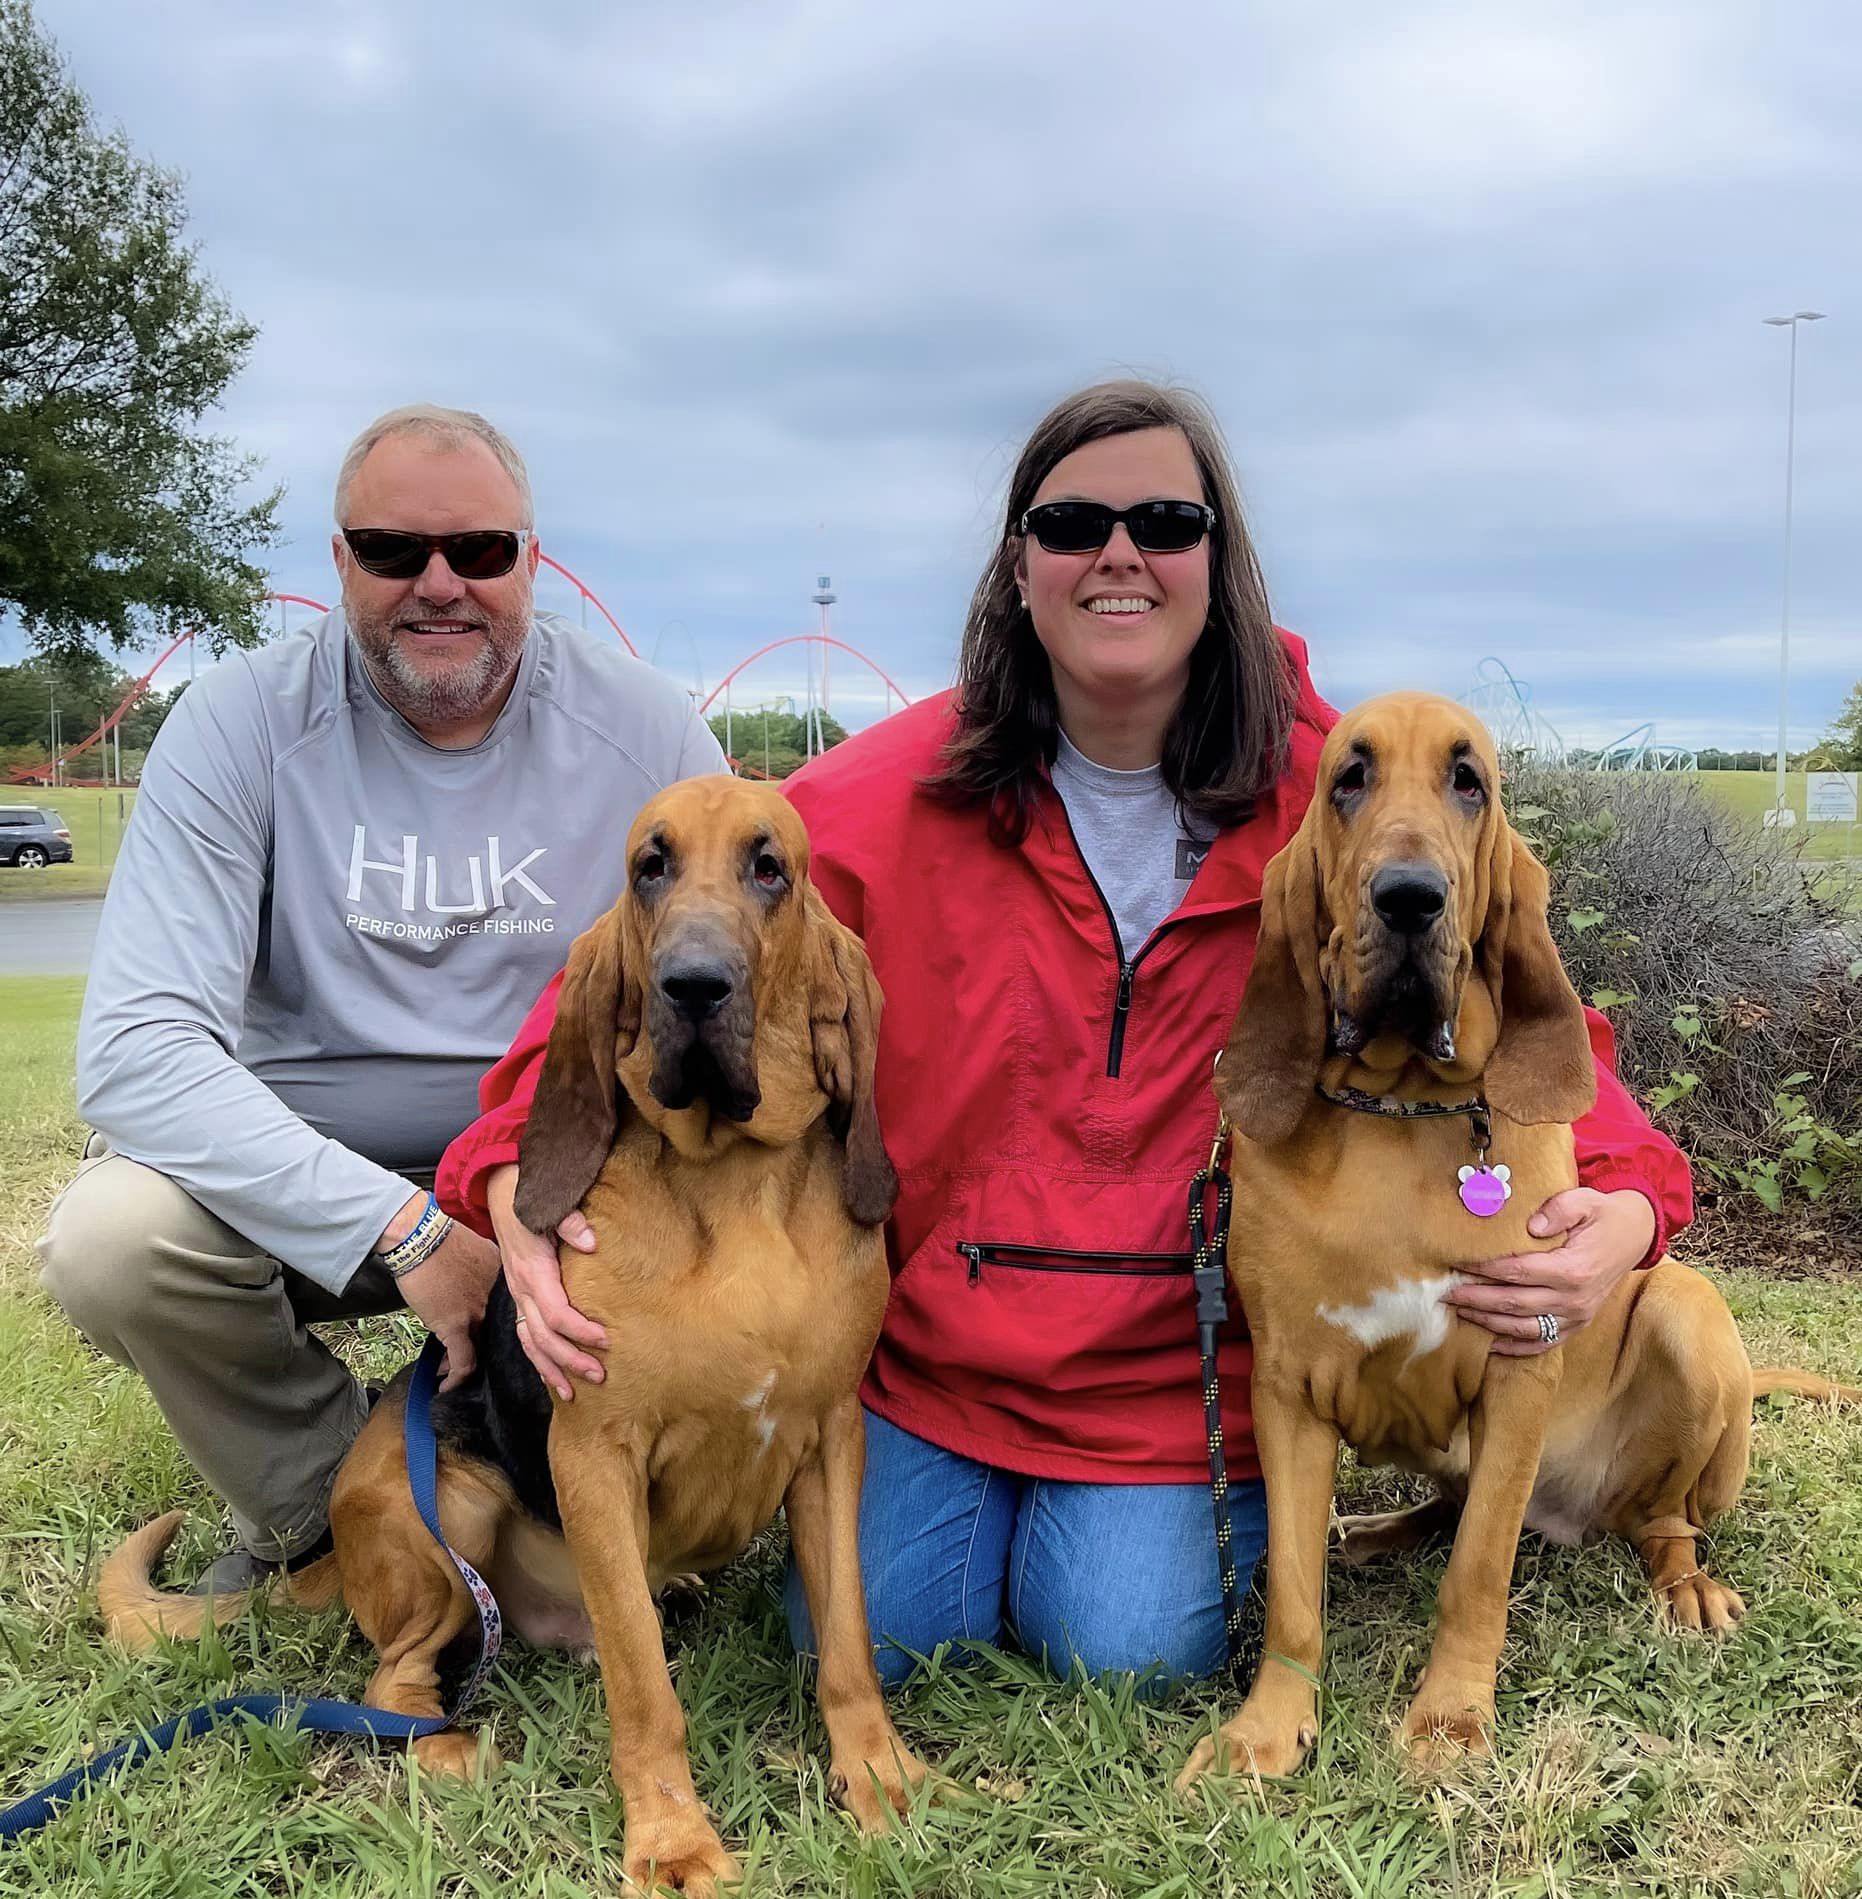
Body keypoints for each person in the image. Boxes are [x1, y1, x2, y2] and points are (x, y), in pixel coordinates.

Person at [439, 380, 1693, 1688]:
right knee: (881, 1630)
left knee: (1131, 1645)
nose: (1117, 554)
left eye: (1162, 520)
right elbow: (623, 974)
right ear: (1015, 564)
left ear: (1217, 558)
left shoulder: (1336, 789)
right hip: (938, 1368)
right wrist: (507, 1183)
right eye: (1068, 522)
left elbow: (1505, 988)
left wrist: (1628, 1207)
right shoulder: (881, 793)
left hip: (1167, 1389)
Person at [40, 404, 725, 1593]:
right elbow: (137, 1049)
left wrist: (520, 1187)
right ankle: (327, 1513)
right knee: (114, 1241)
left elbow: (747, 965)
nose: (441, 584)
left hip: (564, 1172)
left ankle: (635, 1495)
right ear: (342, 560)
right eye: (396, 551)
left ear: (532, 558)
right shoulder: (235, 722)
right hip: (310, 1175)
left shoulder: (645, 725)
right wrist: (403, 1228)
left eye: (481, 550)